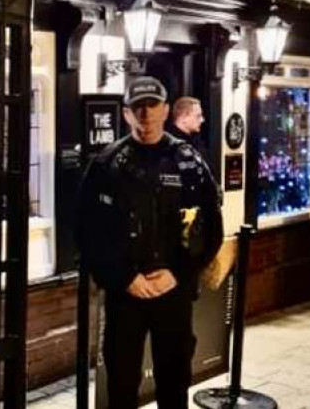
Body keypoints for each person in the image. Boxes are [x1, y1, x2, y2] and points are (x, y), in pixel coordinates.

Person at [77, 76, 223, 409]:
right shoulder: (106, 165)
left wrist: (178, 273)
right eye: (137, 107)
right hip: (125, 293)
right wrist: (124, 278)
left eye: (152, 105)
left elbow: (210, 230)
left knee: (174, 383)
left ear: (166, 110)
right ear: (126, 114)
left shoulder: (189, 162)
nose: (146, 114)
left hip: (173, 290)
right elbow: (88, 232)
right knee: (122, 383)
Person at [172, 96, 208, 161]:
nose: (202, 120)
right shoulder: (170, 146)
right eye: (198, 116)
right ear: (183, 118)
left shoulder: (196, 141)